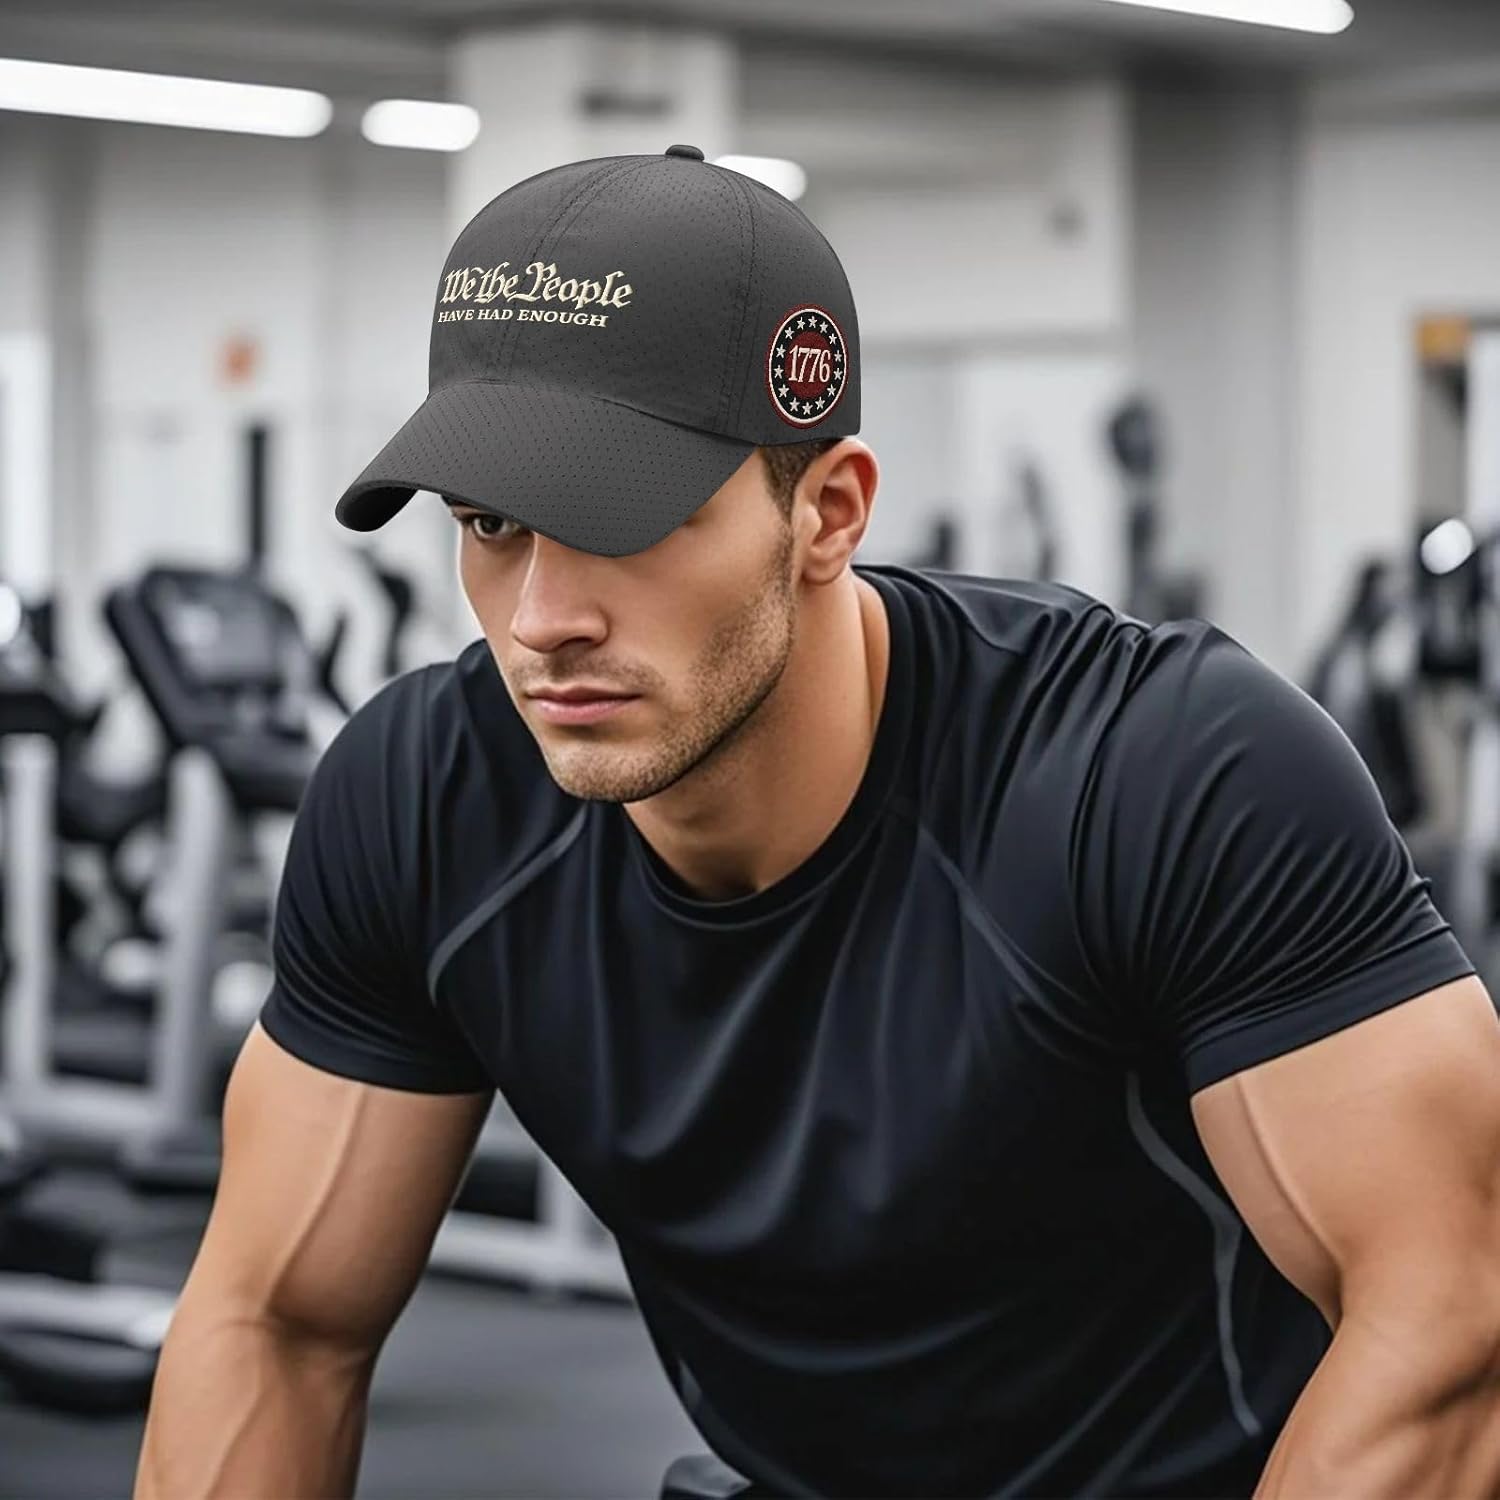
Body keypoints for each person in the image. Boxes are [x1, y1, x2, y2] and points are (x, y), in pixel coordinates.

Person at [134, 146, 1500, 1500]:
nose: (542, 618)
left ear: (828, 513)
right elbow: (277, 1325)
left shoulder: (1162, 773)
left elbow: (1451, 1323)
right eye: (491, 523)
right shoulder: (428, 801)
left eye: (618, 520)